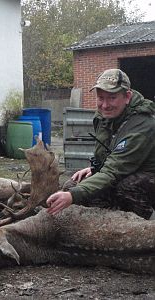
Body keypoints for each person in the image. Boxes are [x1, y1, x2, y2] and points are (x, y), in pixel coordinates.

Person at [47, 68, 155, 220]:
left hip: (143, 179)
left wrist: (73, 196)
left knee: (127, 187)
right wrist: (94, 168)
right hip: (123, 171)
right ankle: (110, 223)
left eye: (112, 98)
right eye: (100, 98)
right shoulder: (104, 116)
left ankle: (148, 225)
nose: (105, 105)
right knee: (72, 184)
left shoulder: (143, 125)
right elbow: (108, 154)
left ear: (127, 97)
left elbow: (113, 171)